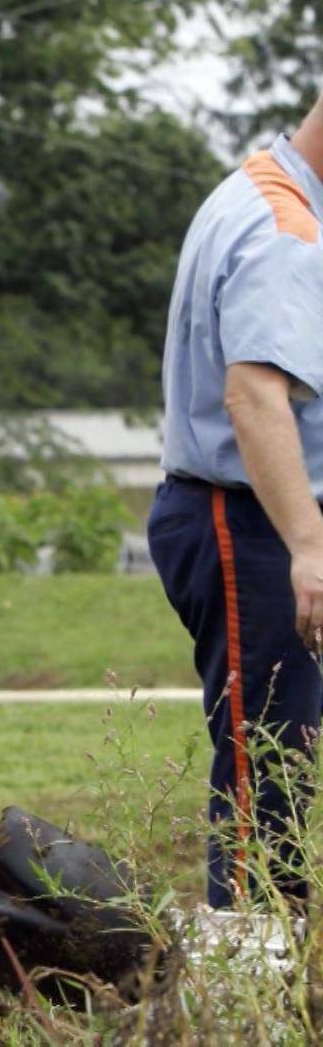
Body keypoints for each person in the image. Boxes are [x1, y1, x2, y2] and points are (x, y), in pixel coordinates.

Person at [152, 94, 323, 913]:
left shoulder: (257, 190)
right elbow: (255, 395)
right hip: (248, 523)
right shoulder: (283, 231)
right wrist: (310, 545)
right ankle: (253, 1001)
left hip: (255, 522)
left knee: (287, 767)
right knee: (271, 781)